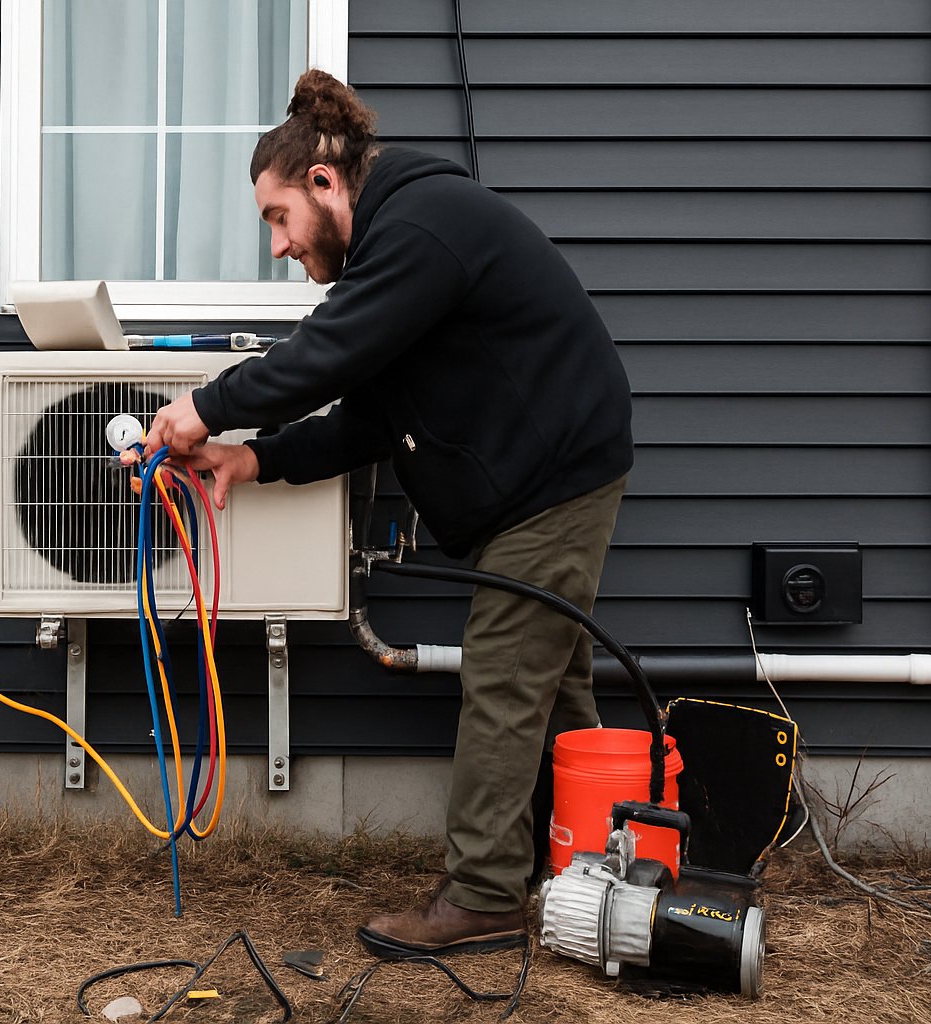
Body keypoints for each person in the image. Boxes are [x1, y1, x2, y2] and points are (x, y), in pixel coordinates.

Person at [145, 70, 633, 958]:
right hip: (537, 480)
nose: (280, 246)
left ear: (325, 184)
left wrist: (206, 408)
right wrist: (254, 457)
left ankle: (486, 895)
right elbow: (369, 414)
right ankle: (595, 870)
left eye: (278, 218)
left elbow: (329, 353)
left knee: (503, 677)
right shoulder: (395, 254)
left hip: (557, 477)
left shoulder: (419, 227)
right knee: (549, 688)